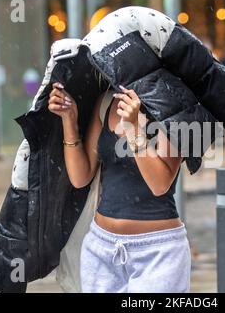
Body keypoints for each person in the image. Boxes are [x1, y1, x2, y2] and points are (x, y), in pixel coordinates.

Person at [47, 72, 191, 293]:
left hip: (157, 254)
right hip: (101, 249)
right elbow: (80, 177)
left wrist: (133, 128)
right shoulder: (107, 101)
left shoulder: (174, 102)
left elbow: (160, 183)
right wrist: (69, 119)